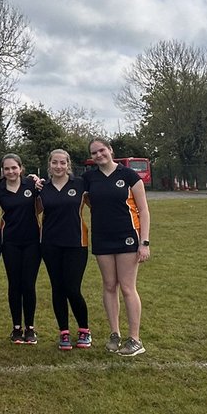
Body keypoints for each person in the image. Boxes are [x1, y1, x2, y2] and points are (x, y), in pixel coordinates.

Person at [84, 138, 151, 357]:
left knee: (127, 287)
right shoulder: (89, 178)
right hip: (102, 238)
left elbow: (144, 210)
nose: (98, 155)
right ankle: (115, 333)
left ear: (110, 150)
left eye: (101, 150)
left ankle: (135, 339)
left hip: (127, 238)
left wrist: (144, 242)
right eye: (94, 153)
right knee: (109, 285)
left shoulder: (129, 176)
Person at [39, 149, 91, 351]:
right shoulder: (42, 187)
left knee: (72, 288)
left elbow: (97, 206)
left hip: (76, 243)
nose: (58, 166)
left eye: (62, 163)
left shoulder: (80, 185)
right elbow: (31, 209)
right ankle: (64, 333)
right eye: (54, 163)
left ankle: (84, 330)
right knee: (57, 288)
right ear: (49, 165)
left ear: (68, 165)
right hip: (50, 244)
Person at [0, 153, 42, 344]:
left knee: (28, 284)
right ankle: (16, 328)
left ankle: (30, 328)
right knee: (14, 284)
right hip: (10, 242)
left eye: (14, 167)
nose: (11, 171)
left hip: (32, 241)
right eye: (7, 169)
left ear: (21, 168)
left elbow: (39, 208)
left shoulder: (31, 185)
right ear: (2, 171)